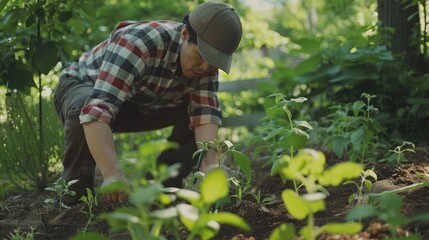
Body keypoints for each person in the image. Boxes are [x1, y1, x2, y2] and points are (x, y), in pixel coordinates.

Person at [53, 1, 243, 203]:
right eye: (201, 56)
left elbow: (205, 114)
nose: (205, 67)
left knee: (200, 113)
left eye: (213, 62)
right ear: (185, 34)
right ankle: (75, 198)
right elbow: (97, 109)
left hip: (138, 102)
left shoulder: (206, 68)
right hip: (84, 88)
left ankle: (163, 188)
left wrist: (211, 165)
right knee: (83, 105)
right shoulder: (139, 43)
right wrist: (112, 173)